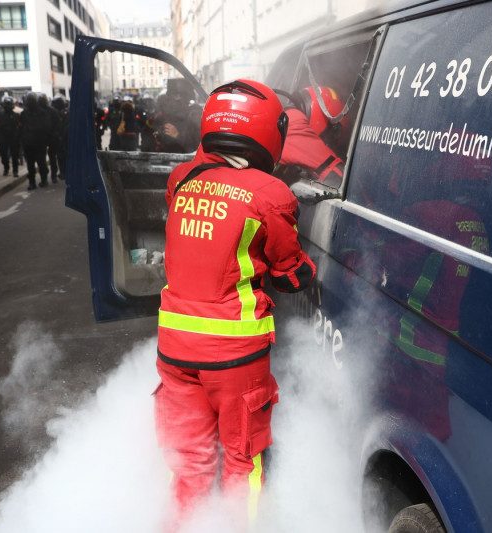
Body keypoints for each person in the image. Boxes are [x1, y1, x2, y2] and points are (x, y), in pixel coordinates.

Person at [155, 79, 316, 526]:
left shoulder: (181, 180)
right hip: (235, 356)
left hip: (174, 351)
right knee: (243, 463)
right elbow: (290, 273)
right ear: (269, 131)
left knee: (187, 464)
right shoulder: (271, 194)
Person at [276, 86, 347, 188]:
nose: (328, 146)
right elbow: (334, 172)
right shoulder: (293, 124)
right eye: (330, 141)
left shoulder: (283, 115)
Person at [153, 79, 200, 153]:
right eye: (170, 95)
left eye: (177, 95)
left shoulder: (194, 115)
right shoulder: (170, 115)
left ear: (186, 97)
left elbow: (197, 148)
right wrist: (161, 140)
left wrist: (178, 136)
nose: (171, 100)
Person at [18, 92, 52, 190]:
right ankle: (34, 181)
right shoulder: (24, 113)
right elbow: (21, 127)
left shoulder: (42, 112)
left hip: (38, 142)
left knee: (39, 163)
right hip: (30, 142)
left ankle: (42, 180)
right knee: (32, 164)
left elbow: (47, 126)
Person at [0, 95, 22, 177]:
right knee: (4, 156)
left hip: (13, 138)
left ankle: (15, 170)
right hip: (3, 138)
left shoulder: (16, 116)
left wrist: (19, 138)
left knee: (15, 156)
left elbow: (20, 128)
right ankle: (6, 168)